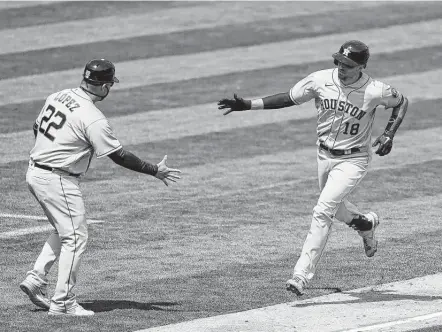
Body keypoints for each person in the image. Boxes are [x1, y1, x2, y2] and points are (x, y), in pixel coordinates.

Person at [217, 40, 408, 296]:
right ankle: (365, 224)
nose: (342, 67)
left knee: (322, 211)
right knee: (336, 208)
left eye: (349, 65)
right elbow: (289, 97)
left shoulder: (375, 90)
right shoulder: (320, 80)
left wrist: (389, 134)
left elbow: (401, 102)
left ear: (361, 66)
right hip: (323, 155)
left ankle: (301, 275)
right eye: (339, 61)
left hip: (354, 160)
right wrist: (249, 105)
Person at [20, 59, 181, 316]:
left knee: (65, 229)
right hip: (57, 179)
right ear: (105, 86)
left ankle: (36, 279)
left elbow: (36, 127)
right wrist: (155, 170)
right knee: (75, 236)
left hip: (35, 171)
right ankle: (63, 302)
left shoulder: (58, 95)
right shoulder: (93, 118)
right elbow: (118, 156)